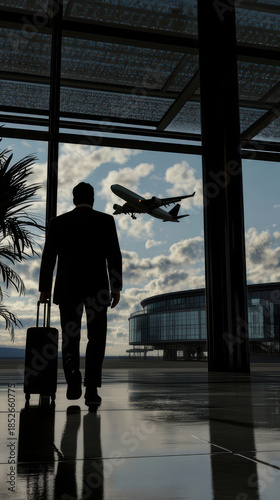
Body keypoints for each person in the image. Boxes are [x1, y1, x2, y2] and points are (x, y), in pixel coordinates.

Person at [39, 182, 122, 406]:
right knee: (97, 338)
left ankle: (73, 377)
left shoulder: (58, 223)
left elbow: (49, 258)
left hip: (67, 289)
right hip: (97, 289)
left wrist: (44, 288)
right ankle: (92, 389)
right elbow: (114, 255)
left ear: (74, 199)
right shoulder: (105, 221)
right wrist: (116, 286)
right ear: (92, 198)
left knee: (70, 337)